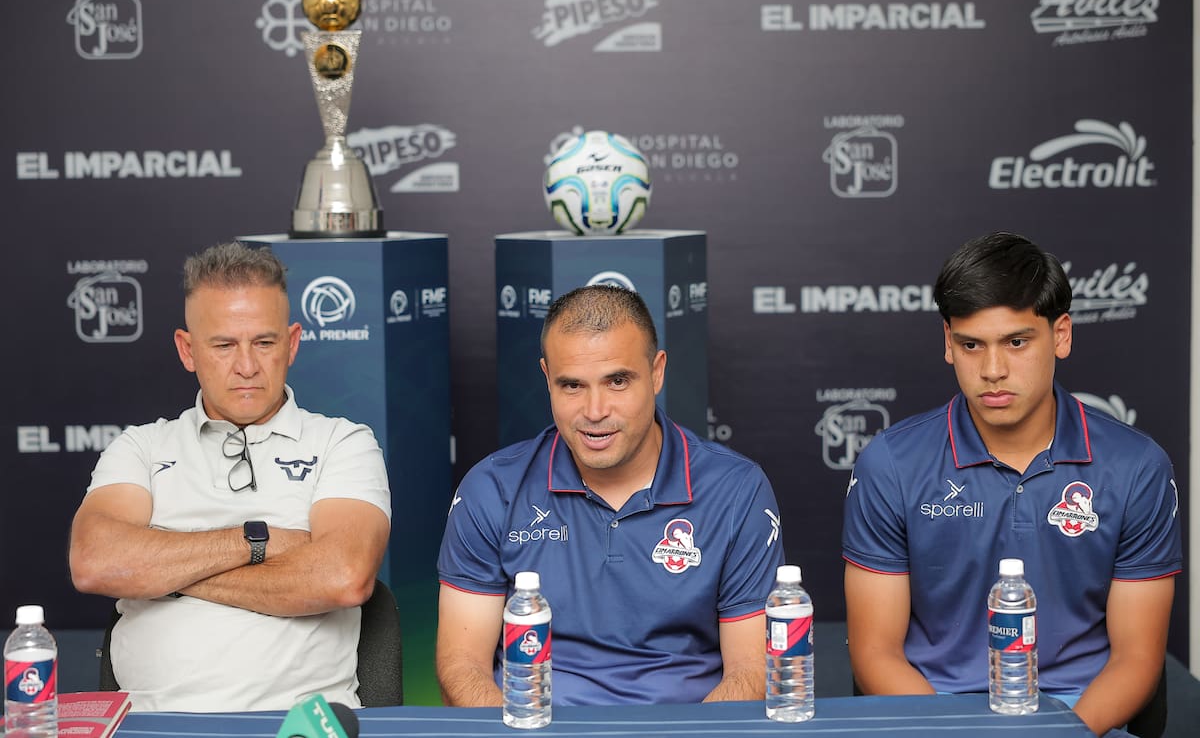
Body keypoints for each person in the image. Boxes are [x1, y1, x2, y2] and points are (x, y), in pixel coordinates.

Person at [842, 232, 1181, 735]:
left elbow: (1136, 658)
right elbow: (875, 653)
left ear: (1061, 335)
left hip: (1078, 716)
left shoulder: (1135, 467)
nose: (993, 371)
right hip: (936, 715)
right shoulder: (890, 464)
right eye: (971, 344)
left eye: (1017, 342)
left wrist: (1062, 733)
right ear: (948, 343)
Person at [68, 242, 392, 712]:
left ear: (293, 343)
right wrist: (256, 542)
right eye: (223, 345)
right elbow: (95, 561)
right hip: (152, 725)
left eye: (264, 342)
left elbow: (342, 577)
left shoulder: (343, 443)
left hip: (296, 723)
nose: (246, 366)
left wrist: (164, 572)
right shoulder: (141, 446)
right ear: (188, 349)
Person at [436, 285, 784, 706]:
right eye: (572, 386)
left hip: (683, 733)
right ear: (547, 378)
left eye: (617, 381)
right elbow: (463, 668)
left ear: (657, 373)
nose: (595, 411)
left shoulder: (735, 490)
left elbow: (752, 673)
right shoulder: (491, 489)